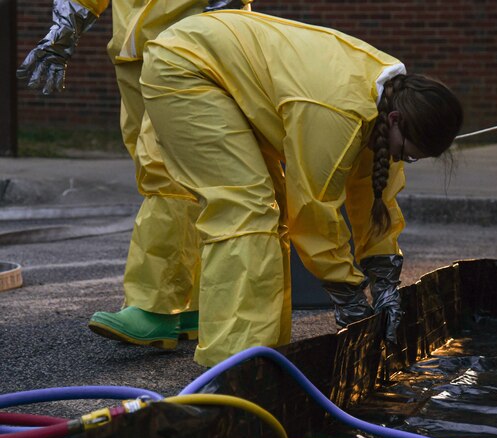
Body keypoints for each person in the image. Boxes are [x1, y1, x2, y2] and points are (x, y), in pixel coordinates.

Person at [139, 9, 463, 367]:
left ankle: (264, 352)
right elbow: (312, 211)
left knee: (267, 211)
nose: (404, 161)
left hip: (216, 64)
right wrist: (349, 295)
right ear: (397, 121)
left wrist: (385, 281)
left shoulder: (387, 99)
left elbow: (374, 194)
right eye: (407, 154)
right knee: (245, 209)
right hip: (186, 66)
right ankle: (232, 364)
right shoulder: (338, 113)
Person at [16, 0, 244, 350]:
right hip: (134, 51)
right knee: (170, 175)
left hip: (190, 48)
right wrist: (62, 32)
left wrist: (218, 32)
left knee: (164, 173)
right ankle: (192, 305)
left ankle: (155, 306)